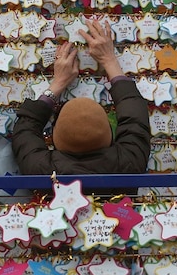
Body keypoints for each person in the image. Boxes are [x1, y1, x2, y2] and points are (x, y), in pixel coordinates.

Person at [12, 20, 151, 176]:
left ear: (54, 137)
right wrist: (109, 61)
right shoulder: (128, 163)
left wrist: (58, 83)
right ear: (110, 133)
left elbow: (24, 129)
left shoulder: (41, 169)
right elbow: (135, 118)